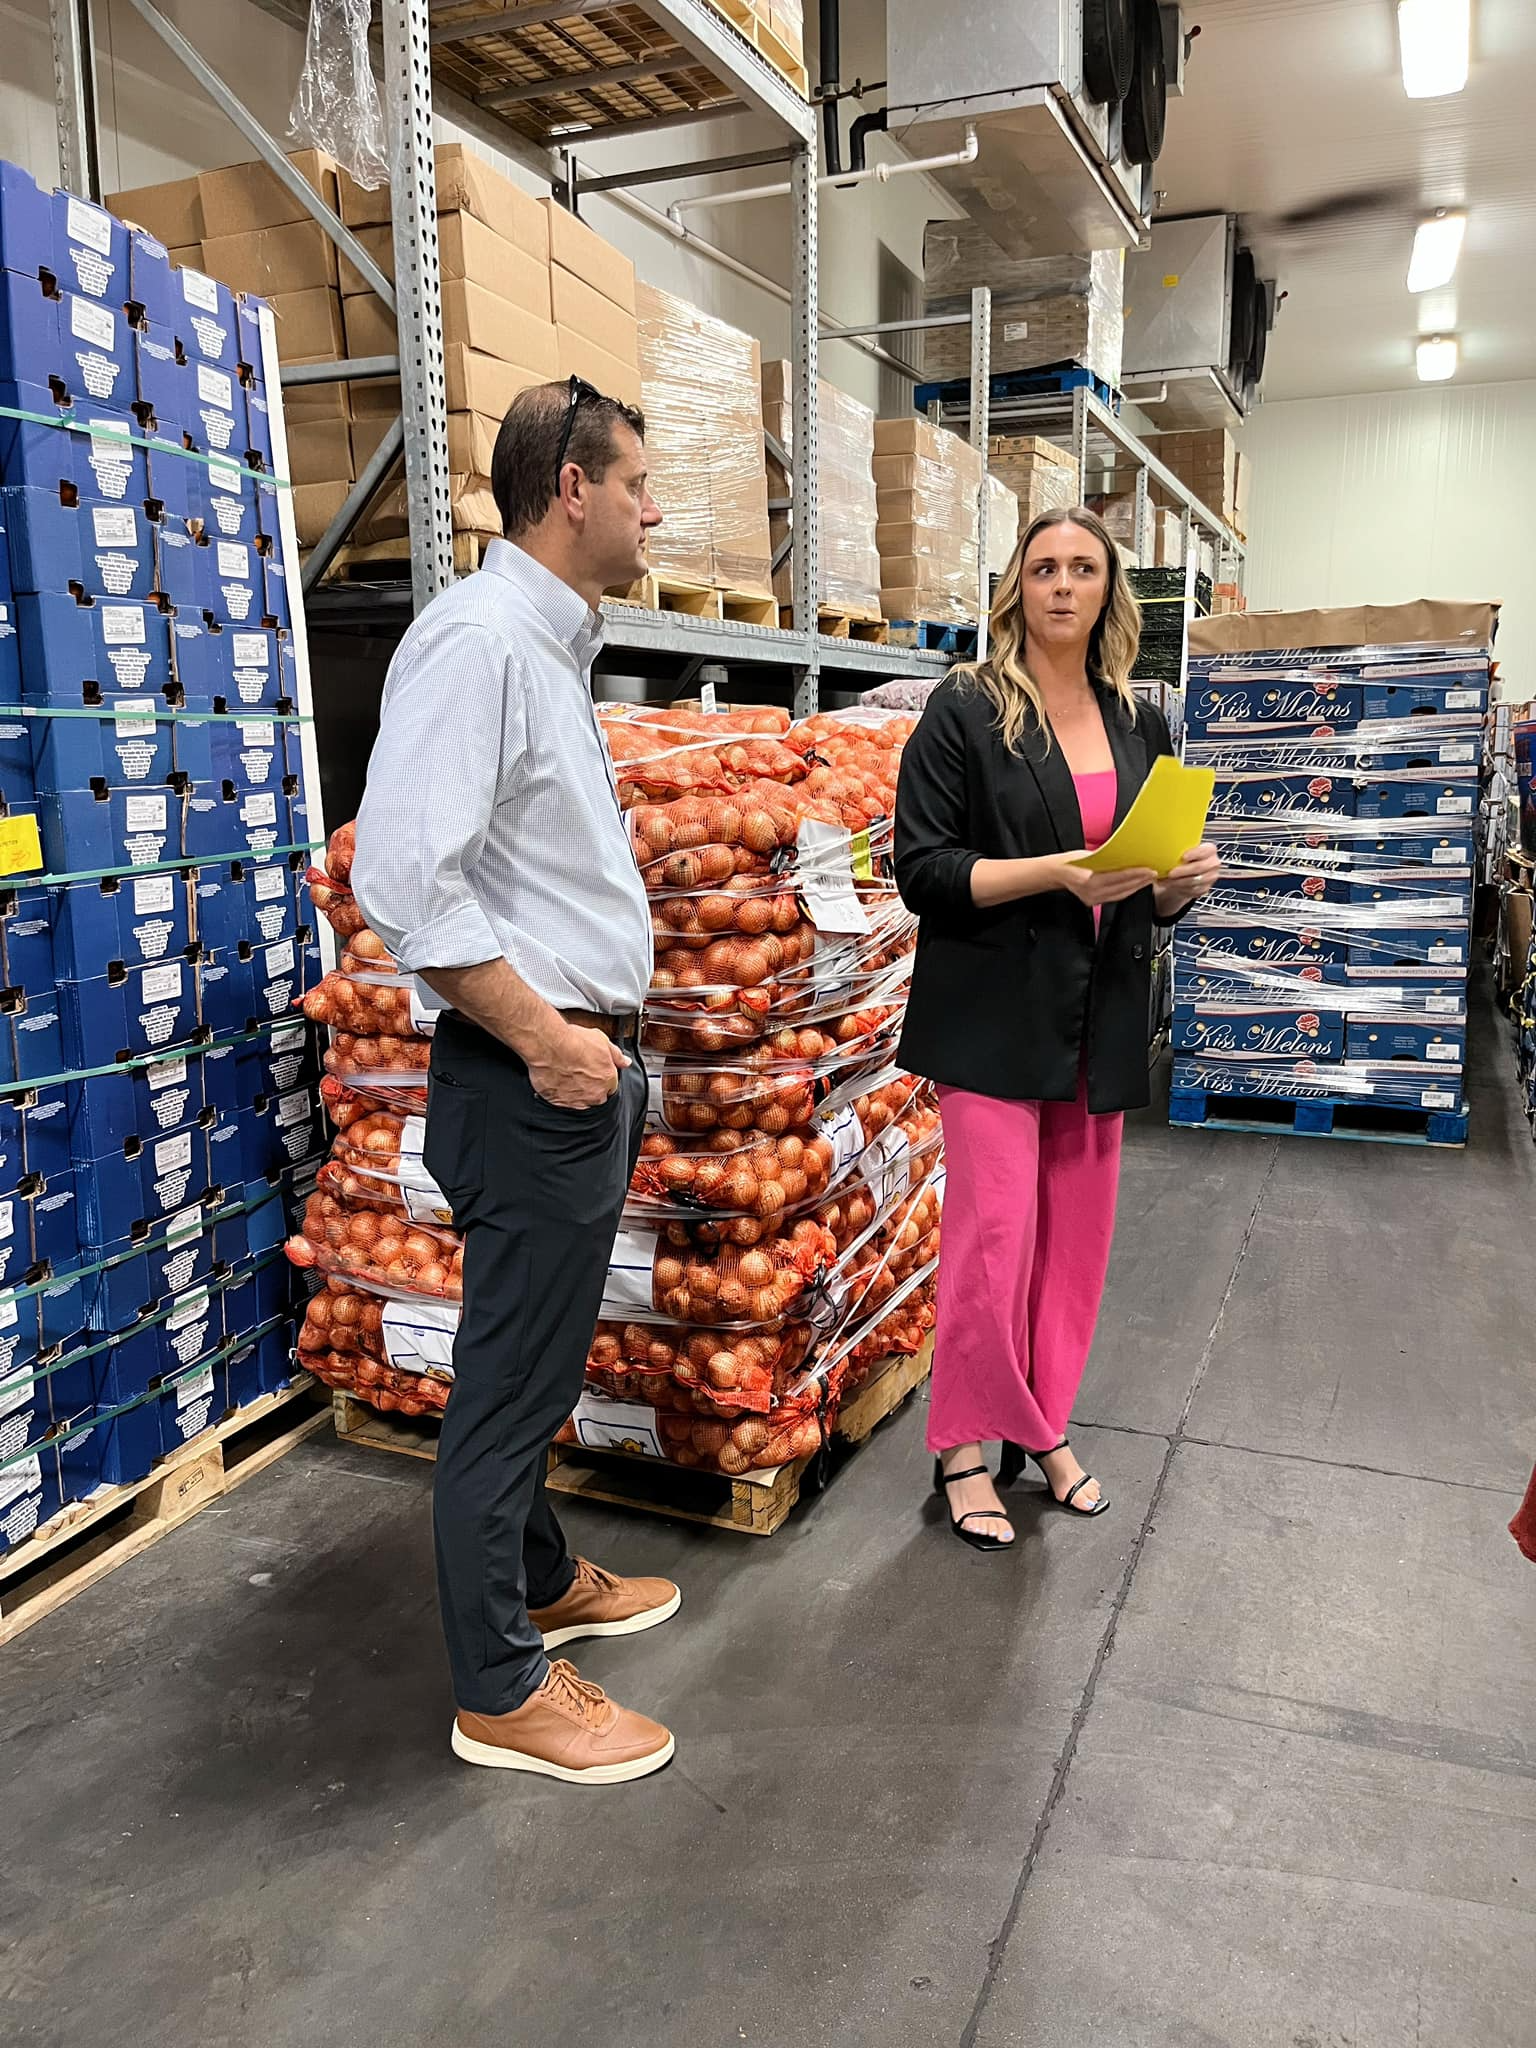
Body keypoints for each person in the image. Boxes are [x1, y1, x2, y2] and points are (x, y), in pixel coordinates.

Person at [352, 378, 680, 1782]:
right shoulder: (480, 642)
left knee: (536, 1367)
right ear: (571, 490)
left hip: (569, 1073)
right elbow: (399, 883)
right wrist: (549, 1039)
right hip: (528, 1076)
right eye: (638, 484)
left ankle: (539, 1576)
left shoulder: (542, 650)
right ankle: (500, 1685)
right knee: (504, 1388)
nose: (654, 508)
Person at [893, 506, 1219, 1550]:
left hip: (1101, 1014)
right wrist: (1060, 873)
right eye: (1045, 568)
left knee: (1073, 1245)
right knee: (994, 1241)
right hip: (993, 1016)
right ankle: (962, 1447)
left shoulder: (1140, 721)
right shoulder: (967, 710)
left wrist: (1179, 888)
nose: (1064, 585)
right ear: (1017, 586)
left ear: (1111, 589)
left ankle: (1042, 1427)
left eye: (1085, 568)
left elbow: (1145, 887)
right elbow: (923, 870)